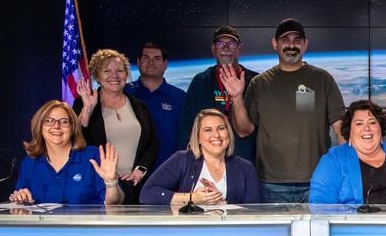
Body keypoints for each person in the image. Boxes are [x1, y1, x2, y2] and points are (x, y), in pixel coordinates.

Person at [225, 18, 345, 204]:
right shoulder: (260, 83)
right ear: (275, 44)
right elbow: (243, 130)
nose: (291, 45)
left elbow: (340, 126)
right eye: (285, 39)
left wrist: (345, 169)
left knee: (319, 234)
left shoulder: (322, 79)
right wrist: (236, 97)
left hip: (318, 180)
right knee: (276, 235)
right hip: (271, 183)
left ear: (305, 44)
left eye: (297, 40)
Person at [73, 48, 158, 205]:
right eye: (106, 70)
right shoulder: (82, 104)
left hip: (134, 186)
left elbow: (152, 143)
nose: (114, 75)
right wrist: (87, 109)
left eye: (120, 70)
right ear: (97, 76)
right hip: (99, 187)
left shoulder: (140, 106)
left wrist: (140, 170)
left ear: (126, 74)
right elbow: (75, 142)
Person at [10, 99, 122, 206]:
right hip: (45, 226)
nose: (56, 126)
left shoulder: (93, 156)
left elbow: (114, 203)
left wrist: (111, 182)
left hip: (87, 225)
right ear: (39, 126)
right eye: (49, 121)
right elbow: (22, 202)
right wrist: (20, 197)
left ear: (73, 128)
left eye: (64, 121)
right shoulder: (29, 163)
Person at [139, 108, 260, 207]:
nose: (216, 135)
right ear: (198, 138)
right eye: (208, 130)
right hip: (189, 233)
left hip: (229, 234)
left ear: (228, 133)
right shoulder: (182, 159)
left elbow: (253, 212)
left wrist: (221, 205)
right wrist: (192, 198)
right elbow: (147, 194)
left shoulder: (245, 167)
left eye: (221, 128)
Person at [179, 26, 259, 165]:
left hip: (245, 163)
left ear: (239, 48)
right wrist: (187, 163)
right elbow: (187, 126)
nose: (226, 48)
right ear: (213, 49)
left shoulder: (255, 81)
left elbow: (251, 130)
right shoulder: (200, 82)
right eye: (220, 44)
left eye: (231, 44)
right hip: (208, 165)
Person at [125, 41, 186, 164]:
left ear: (165, 64)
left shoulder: (180, 97)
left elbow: (187, 137)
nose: (151, 62)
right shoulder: (125, 94)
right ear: (138, 62)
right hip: (129, 173)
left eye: (157, 58)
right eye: (146, 57)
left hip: (169, 171)